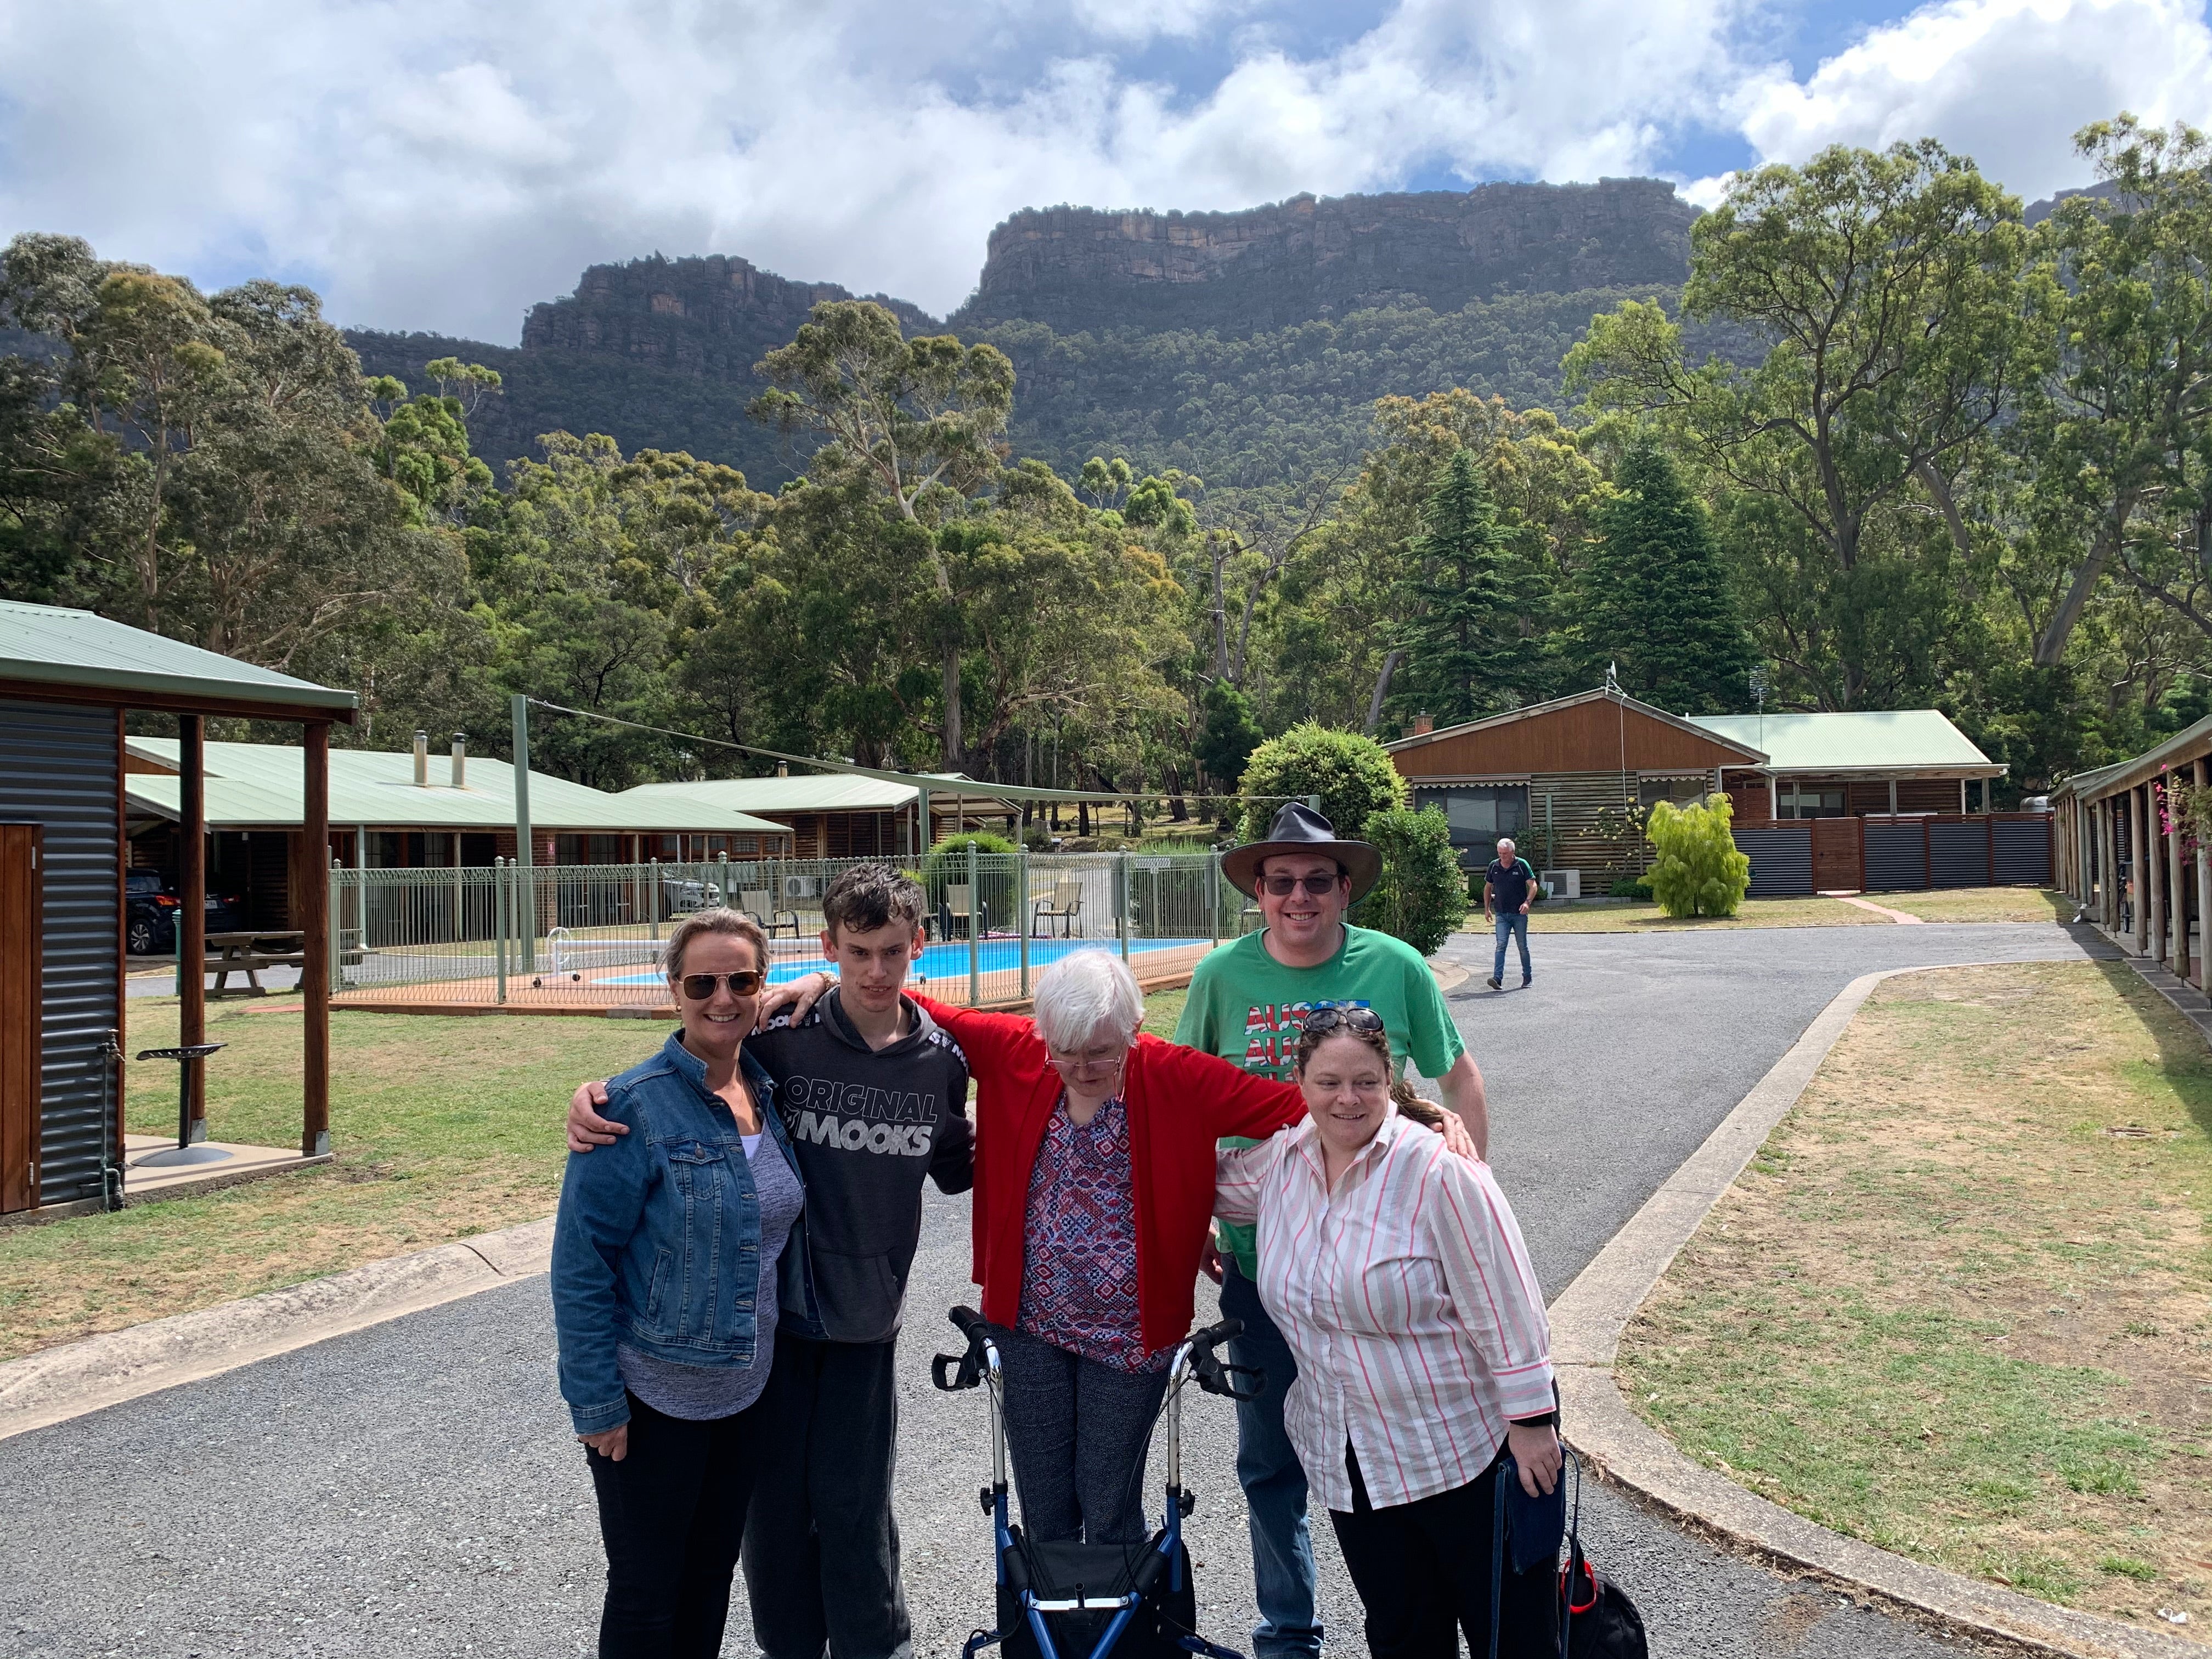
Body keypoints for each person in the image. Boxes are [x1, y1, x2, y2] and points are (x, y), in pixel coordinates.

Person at [566, 864, 973, 1659]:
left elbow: (960, 1163)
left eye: (893, 951)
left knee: (855, 1514)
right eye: (856, 952)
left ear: (920, 946)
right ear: (830, 946)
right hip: (774, 1333)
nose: (876, 970)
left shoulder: (937, 1062)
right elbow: (686, 1064)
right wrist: (592, 1099)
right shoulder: (782, 1045)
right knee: (772, 1523)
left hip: (864, 1326)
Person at [1173, 800, 1486, 1659]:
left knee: (1407, 1459)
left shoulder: (1393, 966)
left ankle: (1425, 1622)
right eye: (1282, 883)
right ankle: (1288, 1632)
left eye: (1318, 881)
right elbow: (1183, 1098)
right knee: (1272, 1465)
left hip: (1384, 1275)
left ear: (1344, 887)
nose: (1299, 897)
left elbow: (1459, 1078)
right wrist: (1197, 1206)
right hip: (1265, 1266)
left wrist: (1473, 1202)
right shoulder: (1221, 979)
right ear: (1260, 893)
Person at [908, 949, 1309, 1547]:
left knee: (1110, 1505)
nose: (1081, 1067)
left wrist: (1420, 1119)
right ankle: (1051, 1638)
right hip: (1028, 1322)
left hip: (1130, 1332)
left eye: (1101, 1051)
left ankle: (1120, 1635)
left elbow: (1306, 1109)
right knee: (1043, 1508)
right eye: (1064, 1050)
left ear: (1135, 1030)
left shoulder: (1180, 1074)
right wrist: (818, 981)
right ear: (1042, 1031)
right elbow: (910, 1005)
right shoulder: (1016, 1048)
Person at [1215, 1008, 1561, 1659]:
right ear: (1300, 1081)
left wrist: (1533, 1420)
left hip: (1459, 1450)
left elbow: (1507, 1300)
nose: (1348, 1100)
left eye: (1367, 1082)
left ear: (1390, 1079)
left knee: (1511, 1635)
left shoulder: (1439, 1171)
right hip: (1348, 1461)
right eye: (1329, 1082)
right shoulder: (1280, 1164)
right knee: (1402, 1635)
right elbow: (1194, 1185)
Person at [551, 907, 804, 1659]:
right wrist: (596, 1403)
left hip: (744, 1394)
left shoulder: (768, 1088)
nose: (722, 997)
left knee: (708, 1583)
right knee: (645, 1595)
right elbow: (581, 1265)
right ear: (673, 990)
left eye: (742, 980)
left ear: (763, 987)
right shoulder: (629, 1106)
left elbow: (865, 988)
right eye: (702, 982)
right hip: (651, 1400)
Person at [1483, 836, 1538, 991]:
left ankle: (1527, 977)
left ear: (1513, 852)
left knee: (1522, 946)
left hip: (1519, 914)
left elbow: (1533, 886)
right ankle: (1497, 979)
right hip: (1501, 913)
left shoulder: (1521, 865)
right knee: (1501, 946)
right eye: (1500, 853)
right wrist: (1487, 909)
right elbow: (1488, 887)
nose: (1502, 857)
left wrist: (1527, 902)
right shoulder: (1494, 866)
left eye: (1505, 854)